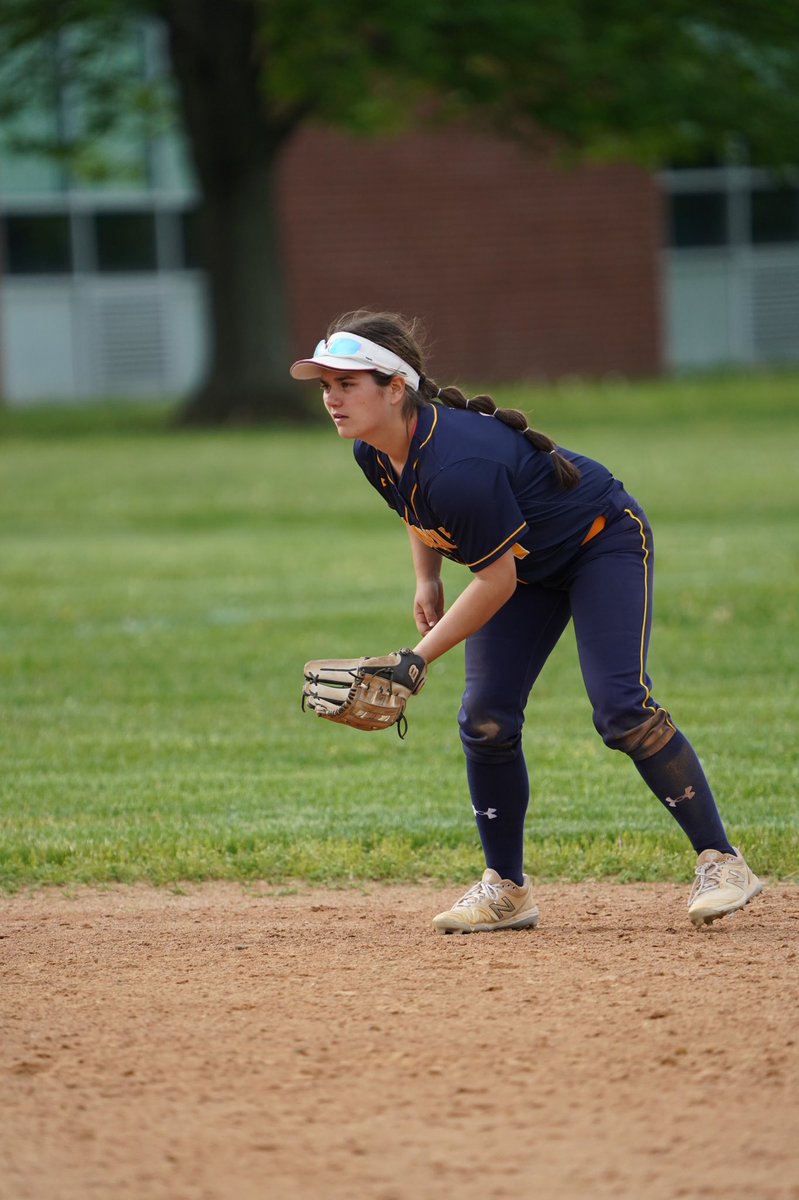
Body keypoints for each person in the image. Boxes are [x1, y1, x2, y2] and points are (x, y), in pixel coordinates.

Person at [290, 310, 763, 934]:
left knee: (620, 708)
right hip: (528, 567)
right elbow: (416, 506)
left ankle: (722, 860)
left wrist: (415, 659)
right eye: (325, 385)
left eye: (346, 384)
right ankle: (507, 891)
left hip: (601, 544)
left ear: (395, 387)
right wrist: (426, 577)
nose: (331, 398)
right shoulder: (374, 452)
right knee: (484, 720)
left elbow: (495, 581)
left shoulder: (461, 465)